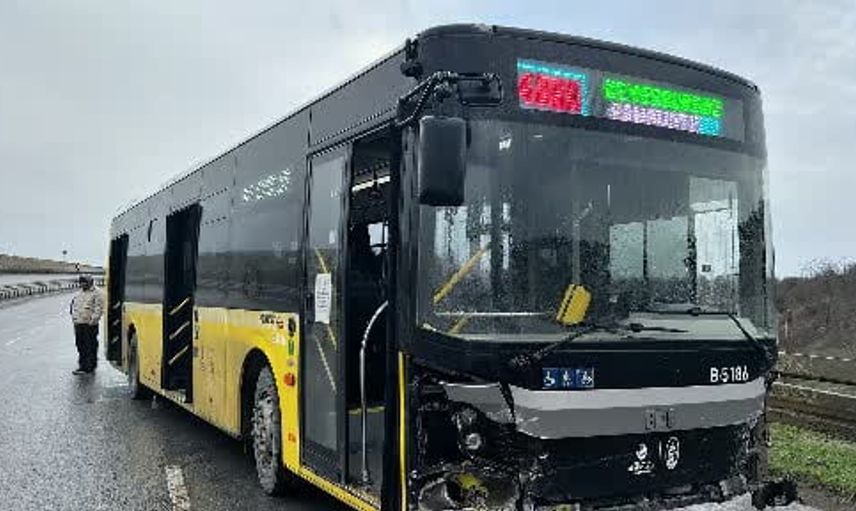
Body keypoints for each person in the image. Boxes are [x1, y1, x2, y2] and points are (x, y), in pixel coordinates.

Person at [70, 275, 104, 375]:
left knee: (90, 346)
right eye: (81, 283)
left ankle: (89, 367)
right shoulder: (79, 293)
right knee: (80, 345)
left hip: (89, 325)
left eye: (84, 282)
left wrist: (93, 321)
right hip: (78, 323)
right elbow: (74, 306)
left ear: (90, 282)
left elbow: (99, 308)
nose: (82, 285)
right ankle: (82, 365)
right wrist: (74, 318)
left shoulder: (97, 293)